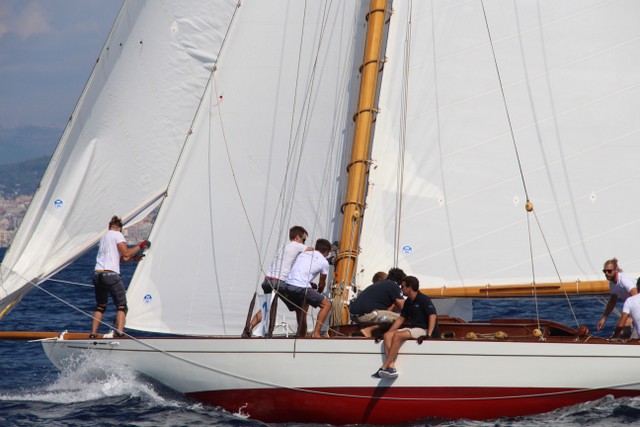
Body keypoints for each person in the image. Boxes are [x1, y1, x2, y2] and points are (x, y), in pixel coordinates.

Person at [242, 226, 312, 337]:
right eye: (304, 239)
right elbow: (313, 251)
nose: (304, 242)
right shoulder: (297, 246)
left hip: (268, 281)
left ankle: (249, 328)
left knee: (267, 307)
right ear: (298, 238)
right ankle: (303, 334)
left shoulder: (284, 246)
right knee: (300, 305)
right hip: (279, 282)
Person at [91, 215, 149, 338]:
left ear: (110, 226)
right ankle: (120, 333)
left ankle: (92, 334)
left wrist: (134, 258)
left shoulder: (104, 238)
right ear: (120, 228)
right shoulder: (117, 235)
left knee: (100, 306)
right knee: (122, 306)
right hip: (111, 275)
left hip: (97, 274)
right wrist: (141, 245)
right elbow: (126, 252)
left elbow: (119, 258)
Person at [372, 275, 439, 379]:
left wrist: (429, 334)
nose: (401, 289)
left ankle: (384, 367)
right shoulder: (408, 302)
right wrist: (389, 331)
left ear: (410, 287)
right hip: (414, 329)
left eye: (403, 286)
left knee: (398, 336)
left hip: (423, 330)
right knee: (387, 335)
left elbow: (432, 315)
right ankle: (391, 368)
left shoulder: (423, 299)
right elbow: (401, 319)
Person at [279, 238, 332, 338]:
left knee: (301, 307)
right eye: (328, 254)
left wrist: (310, 285)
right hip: (300, 287)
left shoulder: (303, 254)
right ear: (325, 252)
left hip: (288, 285)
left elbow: (300, 272)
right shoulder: (324, 262)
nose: (327, 256)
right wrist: (319, 292)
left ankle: (302, 334)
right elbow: (322, 283)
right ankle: (316, 334)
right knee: (326, 305)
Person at [349, 268, 406, 337]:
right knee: (401, 319)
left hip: (354, 315)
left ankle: (365, 331)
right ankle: (369, 330)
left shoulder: (380, 284)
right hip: (366, 315)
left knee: (391, 316)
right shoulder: (393, 285)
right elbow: (403, 308)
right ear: (400, 280)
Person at [597, 258, 637, 333]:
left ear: (616, 270)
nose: (606, 273)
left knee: (624, 325)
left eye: (609, 271)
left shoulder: (623, 280)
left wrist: (632, 317)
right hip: (634, 309)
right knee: (622, 331)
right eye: (604, 271)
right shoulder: (612, 283)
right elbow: (612, 301)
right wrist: (603, 318)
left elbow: (637, 297)